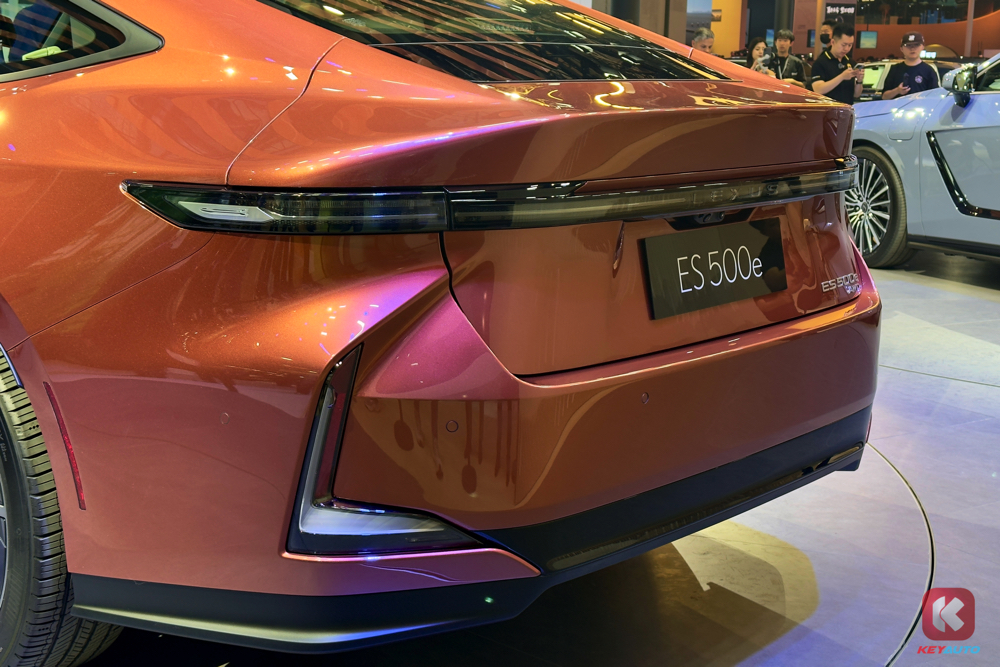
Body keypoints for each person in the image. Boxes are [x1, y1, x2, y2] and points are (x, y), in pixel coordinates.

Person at [810, 25, 863, 104]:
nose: (846, 49)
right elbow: (818, 89)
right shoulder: (820, 62)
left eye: (850, 45)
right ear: (833, 42)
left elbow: (856, 95)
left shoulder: (851, 62)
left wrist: (859, 81)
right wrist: (842, 77)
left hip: (847, 108)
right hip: (828, 109)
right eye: (843, 45)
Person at [882, 33, 939, 100]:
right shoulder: (895, 69)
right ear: (901, 49)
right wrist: (897, 90)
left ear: (922, 47)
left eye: (916, 45)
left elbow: (935, 97)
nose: (912, 48)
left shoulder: (928, 71)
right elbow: (884, 97)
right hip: (898, 106)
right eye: (908, 45)